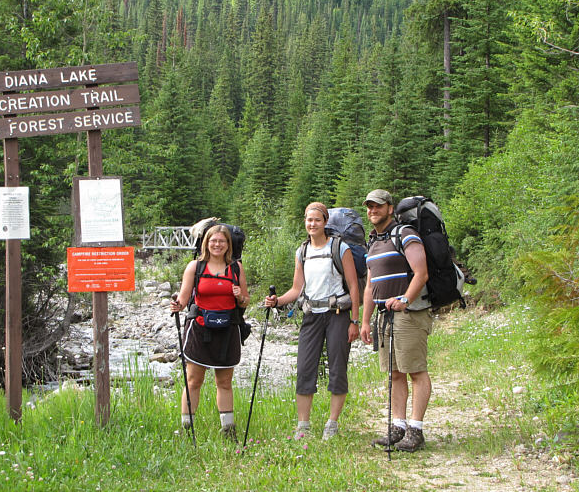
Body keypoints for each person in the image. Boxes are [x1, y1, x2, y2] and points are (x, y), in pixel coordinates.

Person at [264, 202, 361, 440]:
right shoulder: (302, 251)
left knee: (338, 368)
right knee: (305, 369)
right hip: (311, 315)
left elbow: (354, 286)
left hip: (338, 314)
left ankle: (332, 423)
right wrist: (277, 301)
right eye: (309, 220)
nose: (312, 224)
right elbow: (297, 289)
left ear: (325, 222)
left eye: (317, 220)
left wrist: (355, 321)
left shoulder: (340, 248)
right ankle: (303, 425)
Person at [359, 189, 431, 452]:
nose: (372, 211)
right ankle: (398, 427)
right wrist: (365, 321)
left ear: (390, 208)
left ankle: (416, 430)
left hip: (408, 314)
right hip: (383, 316)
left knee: (416, 370)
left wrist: (405, 300)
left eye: (378, 206)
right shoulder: (374, 242)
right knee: (395, 373)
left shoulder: (405, 234)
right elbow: (369, 287)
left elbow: (421, 273)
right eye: (369, 207)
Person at [170, 225, 249, 441]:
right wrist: (177, 305)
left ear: (228, 245)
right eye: (213, 241)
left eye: (222, 242)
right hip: (199, 329)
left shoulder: (236, 269)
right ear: (206, 243)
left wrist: (239, 295)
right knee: (193, 380)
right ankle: (187, 430)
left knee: (224, 382)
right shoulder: (194, 267)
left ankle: (228, 431)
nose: (217, 245)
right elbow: (184, 299)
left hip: (228, 330)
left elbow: (245, 301)